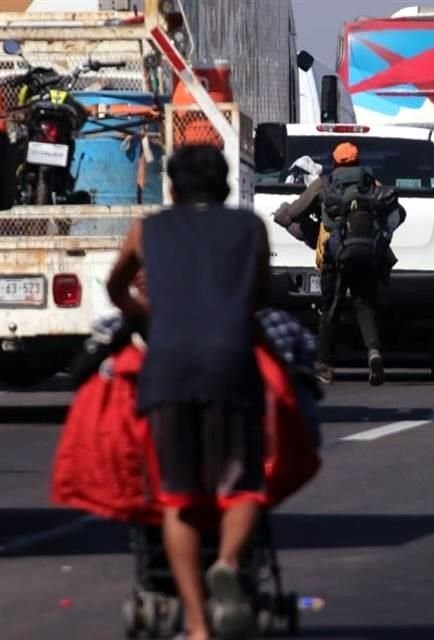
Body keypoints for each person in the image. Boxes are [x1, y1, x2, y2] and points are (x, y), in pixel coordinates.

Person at [106, 145, 271, 640]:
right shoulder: (250, 228)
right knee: (241, 485)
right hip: (230, 362)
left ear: (172, 189)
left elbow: (116, 285)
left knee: (177, 497)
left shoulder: (147, 230)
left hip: (170, 367)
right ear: (224, 186)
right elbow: (261, 294)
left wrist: (143, 314)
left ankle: (197, 625)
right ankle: (225, 561)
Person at [314, 142, 404, 387]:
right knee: (364, 306)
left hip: (336, 258)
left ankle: (325, 367)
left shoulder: (325, 184)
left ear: (334, 162)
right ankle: (374, 354)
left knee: (330, 310)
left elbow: (291, 214)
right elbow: (398, 213)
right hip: (366, 254)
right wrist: (382, 237)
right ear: (358, 162)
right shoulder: (371, 184)